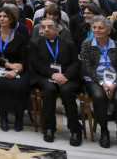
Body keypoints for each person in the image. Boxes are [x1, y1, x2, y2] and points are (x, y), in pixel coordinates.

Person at [81, 15, 117, 150]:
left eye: (100, 28)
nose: (97, 30)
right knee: (99, 97)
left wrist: (115, 84)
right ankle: (104, 131)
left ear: (108, 31)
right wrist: (102, 82)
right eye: (94, 27)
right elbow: (87, 67)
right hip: (95, 80)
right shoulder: (87, 45)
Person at [31, 17, 83, 145]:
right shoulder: (35, 43)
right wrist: (52, 75)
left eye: (50, 27)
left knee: (66, 90)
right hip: (45, 76)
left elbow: (75, 63)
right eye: (43, 27)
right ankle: (49, 128)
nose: (46, 30)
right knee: (49, 89)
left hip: (66, 77)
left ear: (58, 30)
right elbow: (35, 64)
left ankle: (75, 130)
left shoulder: (69, 44)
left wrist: (65, 76)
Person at [0, 6, 30, 132]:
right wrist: (9, 66)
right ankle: (3, 116)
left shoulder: (20, 37)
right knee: (0, 85)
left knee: (19, 86)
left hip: (18, 69)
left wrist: (15, 71)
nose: (2, 19)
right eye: (0, 16)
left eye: (5, 16)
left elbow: (24, 59)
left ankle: (19, 116)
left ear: (11, 19)